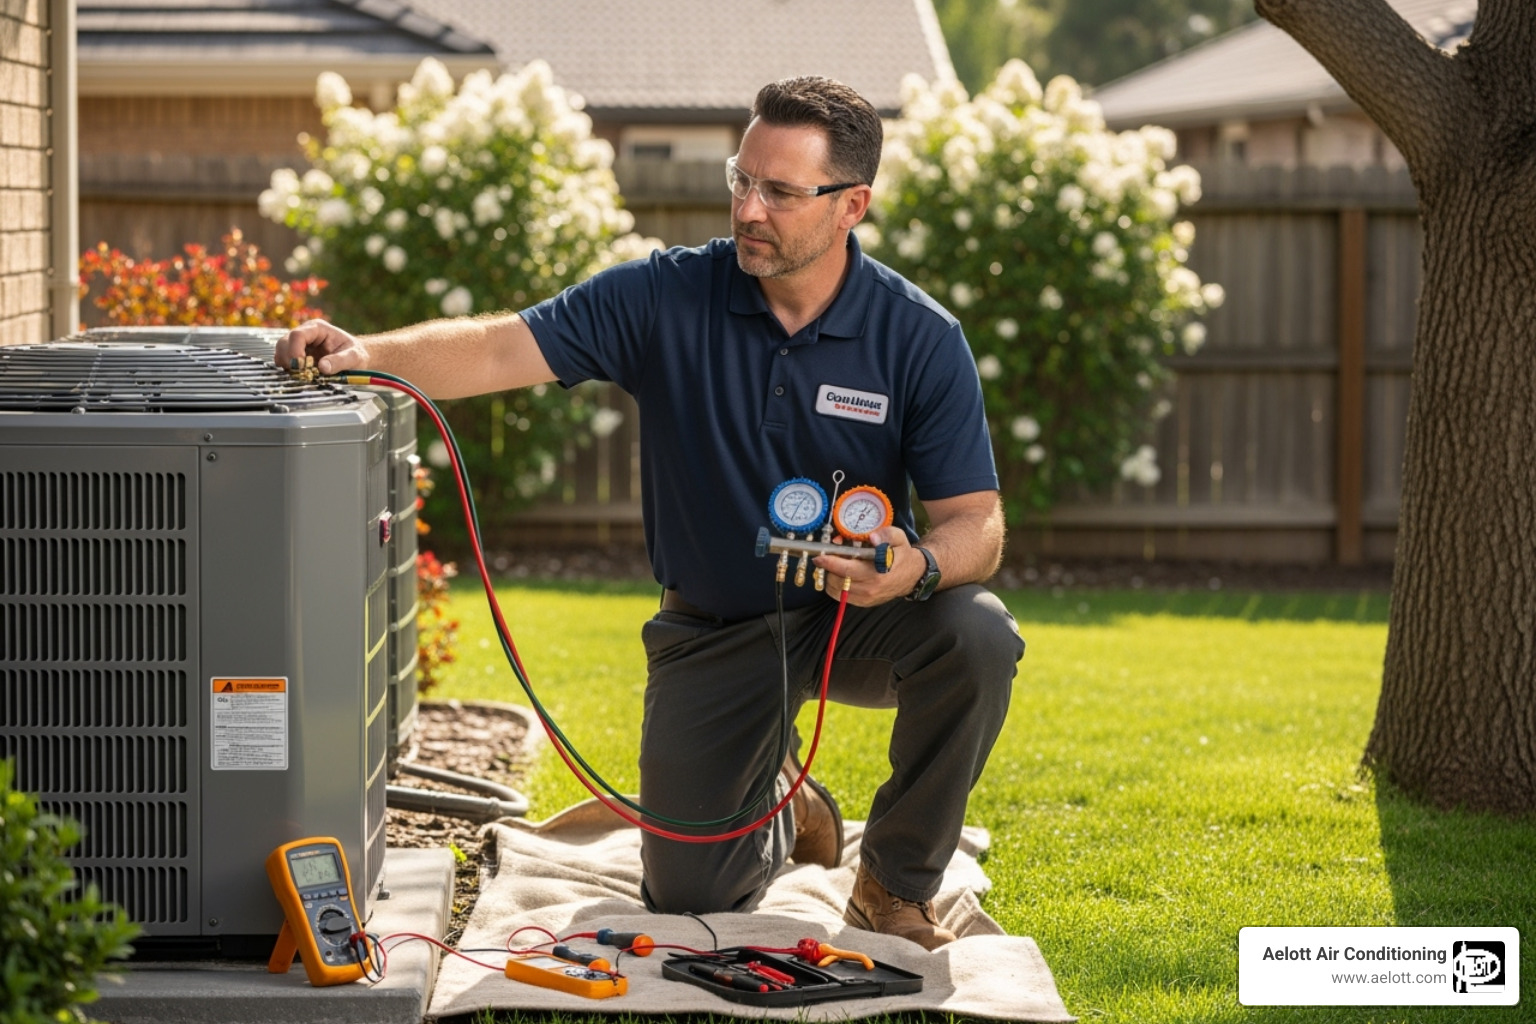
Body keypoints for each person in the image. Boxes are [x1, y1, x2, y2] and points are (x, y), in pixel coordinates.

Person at [278, 75, 1023, 950]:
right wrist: (364, 352)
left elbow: (977, 522)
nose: (749, 208)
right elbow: (500, 348)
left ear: (850, 205)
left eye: (780, 192)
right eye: (742, 180)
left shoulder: (919, 337)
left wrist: (917, 566)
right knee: (689, 896)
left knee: (978, 634)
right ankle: (791, 805)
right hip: (712, 627)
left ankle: (893, 886)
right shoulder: (665, 295)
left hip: (853, 619)